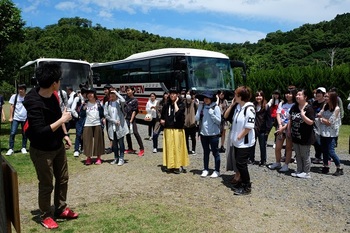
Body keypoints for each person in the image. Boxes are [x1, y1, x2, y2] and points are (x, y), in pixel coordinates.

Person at [23, 62, 78, 229]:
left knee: (63, 179)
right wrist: (63, 120)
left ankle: (60, 209)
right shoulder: (32, 100)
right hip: (41, 150)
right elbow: (40, 131)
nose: (60, 82)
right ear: (54, 82)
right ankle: (46, 215)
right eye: (59, 79)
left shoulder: (54, 95)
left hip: (57, 145)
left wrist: (65, 135)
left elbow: (57, 115)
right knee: (46, 183)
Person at [227, 86, 255, 195]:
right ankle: (241, 182)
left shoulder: (249, 108)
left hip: (244, 142)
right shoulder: (239, 107)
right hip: (237, 142)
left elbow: (249, 126)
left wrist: (240, 136)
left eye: (236, 94)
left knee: (241, 164)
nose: (234, 96)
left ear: (240, 96)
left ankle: (246, 186)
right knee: (238, 164)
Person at [160, 87, 189, 174]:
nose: (172, 95)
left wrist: (175, 103)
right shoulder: (166, 104)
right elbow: (162, 115)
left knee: (177, 147)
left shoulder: (181, 104)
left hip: (177, 129)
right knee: (169, 148)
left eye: (174, 94)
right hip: (168, 129)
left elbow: (178, 113)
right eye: (171, 93)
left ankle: (178, 165)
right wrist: (162, 120)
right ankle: (170, 165)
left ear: (177, 95)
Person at [288, 89, 315, 179]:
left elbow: (311, 122)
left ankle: (306, 172)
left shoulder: (309, 108)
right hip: (295, 135)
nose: (297, 96)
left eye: (299, 95)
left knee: (305, 154)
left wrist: (303, 116)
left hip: (305, 137)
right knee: (298, 154)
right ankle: (299, 170)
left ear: (305, 97)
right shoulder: (294, 107)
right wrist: (288, 130)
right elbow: (290, 119)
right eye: (297, 95)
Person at [268, 86, 296, 172]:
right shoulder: (282, 104)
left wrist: (283, 127)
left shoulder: (295, 105)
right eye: (287, 93)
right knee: (277, 147)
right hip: (280, 128)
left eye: (290, 93)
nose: (288, 95)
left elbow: (292, 118)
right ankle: (277, 162)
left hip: (289, 129)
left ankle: (286, 164)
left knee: (288, 148)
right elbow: (278, 114)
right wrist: (280, 125)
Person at [195, 90, 221, 178]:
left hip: (214, 134)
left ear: (211, 99)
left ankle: (217, 170)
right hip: (203, 134)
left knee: (215, 152)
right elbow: (197, 118)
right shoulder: (202, 107)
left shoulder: (215, 107)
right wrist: (198, 110)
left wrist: (212, 114)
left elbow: (219, 121)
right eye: (204, 98)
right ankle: (205, 169)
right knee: (206, 152)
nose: (206, 100)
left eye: (208, 98)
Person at [317, 91, 344, 176]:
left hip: (331, 133)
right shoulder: (325, 106)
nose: (325, 98)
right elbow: (319, 114)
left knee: (331, 151)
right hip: (323, 131)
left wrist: (322, 119)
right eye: (325, 96)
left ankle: (339, 167)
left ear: (332, 98)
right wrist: (323, 118)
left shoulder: (337, 109)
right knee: (324, 150)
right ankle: (325, 166)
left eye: (327, 97)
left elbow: (330, 122)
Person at [80, 88, 105, 165]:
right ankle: (88, 158)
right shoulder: (85, 103)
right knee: (87, 141)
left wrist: (103, 119)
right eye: (88, 93)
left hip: (97, 123)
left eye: (91, 93)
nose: (90, 95)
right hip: (87, 123)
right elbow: (81, 115)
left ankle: (98, 158)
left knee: (98, 141)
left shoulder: (98, 103)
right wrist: (83, 109)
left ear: (94, 94)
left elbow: (102, 113)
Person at [104, 90, 129, 165]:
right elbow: (106, 114)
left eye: (113, 94)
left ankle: (121, 158)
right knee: (114, 144)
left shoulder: (119, 102)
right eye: (110, 94)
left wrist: (117, 93)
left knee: (121, 143)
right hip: (112, 126)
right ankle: (116, 157)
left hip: (120, 126)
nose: (111, 95)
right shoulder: (107, 103)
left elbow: (123, 100)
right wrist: (114, 121)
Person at [250, 90, 272, 166]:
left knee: (262, 146)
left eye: (260, 96)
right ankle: (251, 159)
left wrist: (268, 130)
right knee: (252, 144)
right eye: (257, 96)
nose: (258, 97)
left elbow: (269, 119)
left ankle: (263, 160)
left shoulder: (266, 106)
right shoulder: (252, 105)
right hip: (253, 128)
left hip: (262, 129)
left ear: (263, 97)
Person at [6, 84, 28, 155]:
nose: (20, 90)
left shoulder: (27, 97)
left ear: (25, 90)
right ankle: (10, 149)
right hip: (16, 118)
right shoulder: (14, 97)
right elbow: (12, 107)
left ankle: (23, 147)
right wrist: (10, 117)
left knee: (25, 133)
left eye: (22, 89)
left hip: (25, 118)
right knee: (12, 133)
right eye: (19, 89)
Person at [124, 86, 145, 156]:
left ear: (133, 91)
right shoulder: (125, 99)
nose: (128, 92)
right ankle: (130, 148)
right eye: (127, 91)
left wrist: (131, 120)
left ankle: (142, 149)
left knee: (135, 132)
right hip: (126, 118)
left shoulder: (135, 100)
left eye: (129, 90)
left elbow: (134, 111)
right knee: (127, 133)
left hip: (131, 119)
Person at [71, 87, 87, 157]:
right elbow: (72, 109)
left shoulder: (87, 100)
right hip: (79, 119)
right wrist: (77, 116)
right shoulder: (77, 99)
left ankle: (83, 148)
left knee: (85, 134)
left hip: (86, 118)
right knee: (78, 134)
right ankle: (76, 149)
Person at [311, 87, 326, 164]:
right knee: (316, 141)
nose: (318, 94)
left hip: (324, 125)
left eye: (320, 93)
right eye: (317, 93)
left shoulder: (326, 103)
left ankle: (327, 157)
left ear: (324, 94)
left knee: (323, 141)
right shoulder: (314, 103)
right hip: (315, 124)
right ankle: (318, 157)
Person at [184, 90, 198, 155]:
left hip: (192, 123)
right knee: (185, 138)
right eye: (187, 94)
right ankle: (186, 149)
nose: (188, 95)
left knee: (193, 137)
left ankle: (193, 149)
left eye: (189, 94)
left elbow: (197, 110)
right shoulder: (183, 103)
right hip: (185, 124)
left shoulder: (194, 103)